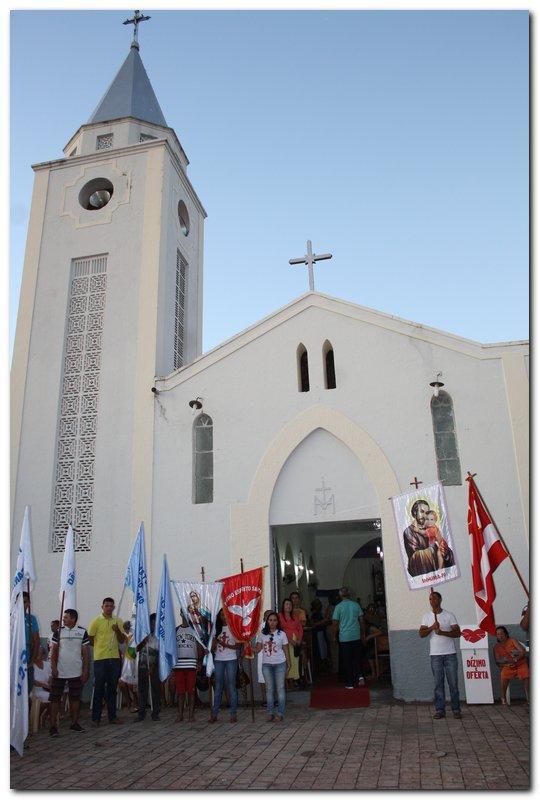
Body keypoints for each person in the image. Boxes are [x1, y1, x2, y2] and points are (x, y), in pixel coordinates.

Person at [419, 590, 461, 719]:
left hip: (450, 654)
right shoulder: (426, 616)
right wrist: (432, 627)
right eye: (430, 599)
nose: (432, 601)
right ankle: (440, 710)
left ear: (440, 600)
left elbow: (457, 633)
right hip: (435, 655)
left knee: (453, 683)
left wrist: (443, 632)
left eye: (435, 598)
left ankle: (456, 709)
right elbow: (421, 634)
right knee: (438, 683)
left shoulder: (449, 615)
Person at [49, 609, 90, 735]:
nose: (64, 619)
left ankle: (74, 723)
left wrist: (85, 671)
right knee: (55, 699)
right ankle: (53, 727)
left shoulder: (82, 632)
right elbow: (54, 651)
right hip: (60, 672)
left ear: (73, 619)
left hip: (76, 672)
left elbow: (85, 654)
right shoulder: (58, 632)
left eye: (66, 617)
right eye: (64, 617)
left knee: (75, 699)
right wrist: (54, 667)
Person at [88, 597, 126, 726]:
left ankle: (112, 716)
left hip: (114, 659)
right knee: (99, 688)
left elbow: (121, 640)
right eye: (106, 606)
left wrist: (117, 631)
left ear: (114, 607)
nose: (109, 608)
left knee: (112, 689)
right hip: (100, 659)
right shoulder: (96, 621)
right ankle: (96, 718)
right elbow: (91, 639)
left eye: (111, 606)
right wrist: (101, 648)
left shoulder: (118, 621)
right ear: (102, 606)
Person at [403, 500, 455, 577]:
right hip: (422, 572)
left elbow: (445, 550)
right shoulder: (409, 531)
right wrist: (435, 548)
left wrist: (445, 551)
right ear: (415, 513)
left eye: (427, 513)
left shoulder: (431, 528)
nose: (425, 516)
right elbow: (415, 556)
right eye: (422, 512)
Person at [256, 611, 290, 721]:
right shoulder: (262, 634)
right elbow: (258, 649)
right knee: (269, 689)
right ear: (267, 621)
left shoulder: (282, 634)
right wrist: (248, 646)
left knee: (280, 689)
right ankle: (270, 713)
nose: (272, 622)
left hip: (280, 664)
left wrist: (289, 664)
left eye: (274, 620)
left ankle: (280, 713)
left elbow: (286, 649)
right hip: (267, 665)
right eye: (270, 620)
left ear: (277, 622)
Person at [209, 609, 241, 723]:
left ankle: (233, 713)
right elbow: (212, 648)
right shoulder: (215, 629)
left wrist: (225, 644)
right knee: (218, 686)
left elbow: (238, 646)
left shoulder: (233, 628)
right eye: (222, 615)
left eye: (225, 614)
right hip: (218, 659)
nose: (224, 617)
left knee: (231, 686)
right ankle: (214, 713)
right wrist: (211, 643)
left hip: (231, 658)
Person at [332, 587, 365, 689]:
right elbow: (361, 620)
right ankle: (360, 677)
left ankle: (350, 683)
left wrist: (334, 636)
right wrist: (362, 632)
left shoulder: (338, 607)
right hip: (355, 635)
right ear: (349, 594)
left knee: (347, 660)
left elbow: (335, 623)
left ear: (340, 595)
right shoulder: (356, 605)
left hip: (344, 637)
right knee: (356, 658)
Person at [173, 614, 203, 722]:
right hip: (179, 664)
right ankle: (180, 714)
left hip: (191, 663)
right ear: (180, 613)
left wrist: (199, 661)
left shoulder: (195, 630)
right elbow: (171, 647)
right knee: (180, 691)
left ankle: (191, 715)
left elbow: (199, 646)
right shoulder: (176, 630)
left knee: (191, 691)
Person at [493, 625, 529, 705]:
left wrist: (516, 659)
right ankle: (503, 698)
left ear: (506, 634)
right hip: (508, 665)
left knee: (526, 675)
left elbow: (523, 651)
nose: (500, 636)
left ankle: (529, 699)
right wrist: (506, 663)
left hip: (520, 663)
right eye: (498, 634)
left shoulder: (512, 640)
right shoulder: (496, 647)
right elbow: (497, 660)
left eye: (501, 634)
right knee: (504, 675)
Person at [136, 613, 160, 721]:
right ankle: (141, 713)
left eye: (155, 622)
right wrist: (142, 641)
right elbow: (135, 649)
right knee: (142, 690)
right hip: (142, 666)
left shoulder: (158, 637)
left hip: (154, 667)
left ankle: (155, 713)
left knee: (155, 690)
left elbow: (158, 653)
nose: (153, 624)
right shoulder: (142, 634)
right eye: (152, 622)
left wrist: (153, 667)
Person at [279, 599, 304, 689]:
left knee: (294, 662)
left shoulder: (295, 616)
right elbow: (280, 630)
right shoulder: (280, 616)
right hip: (285, 642)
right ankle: (287, 683)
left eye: (290, 604)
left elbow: (300, 629)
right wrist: (289, 640)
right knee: (286, 661)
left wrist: (299, 640)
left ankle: (293, 681)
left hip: (295, 642)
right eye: (286, 604)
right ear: (283, 606)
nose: (288, 606)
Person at [118, 620, 138, 710]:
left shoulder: (135, 637)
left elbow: (134, 651)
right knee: (121, 683)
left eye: (128, 628)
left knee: (130, 683)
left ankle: (136, 701)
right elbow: (121, 651)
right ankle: (128, 701)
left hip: (134, 662)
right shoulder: (122, 637)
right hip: (125, 663)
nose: (127, 629)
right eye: (125, 628)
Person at [23, 592, 40, 693]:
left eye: (24, 602)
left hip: (27, 659)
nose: (22, 604)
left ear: (28, 603)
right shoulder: (10, 617)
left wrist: (32, 661)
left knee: (27, 689)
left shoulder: (31, 619)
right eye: (19, 601)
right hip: (13, 660)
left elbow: (36, 641)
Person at [362, 603, 383, 679]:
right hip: (370, 642)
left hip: (376, 642)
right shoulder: (365, 618)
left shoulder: (372, 624)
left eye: (372, 609)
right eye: (369, 609)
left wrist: (369, 637)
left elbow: (380, 631)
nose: (371, 611)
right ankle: (373, 672)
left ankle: (374, 673)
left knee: (370, 654)